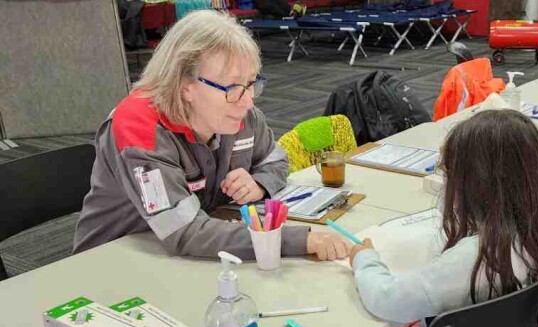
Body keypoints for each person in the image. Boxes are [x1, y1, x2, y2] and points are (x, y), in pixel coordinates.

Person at [74, 10, 351, 261]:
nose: (248, 101)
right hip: (111, 262)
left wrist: (259, 183)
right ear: (185, 86)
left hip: (180, 256)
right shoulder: (139, 129)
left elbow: (276, 160)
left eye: (252, 83)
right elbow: (186, 231)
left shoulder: (239, 112)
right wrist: (299, 239)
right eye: (232, 86)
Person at [349, 110, 538, 327]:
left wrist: (364, 259)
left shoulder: (475, 258)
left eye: (450, 173)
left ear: (476, 184)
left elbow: (387, 299)